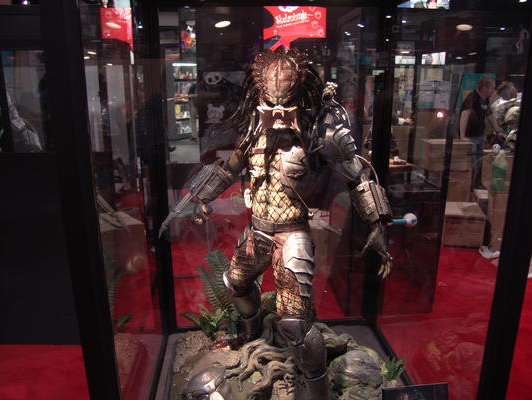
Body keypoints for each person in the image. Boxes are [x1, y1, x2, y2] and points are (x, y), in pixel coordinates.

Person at [160, 48, 393, 399]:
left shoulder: (319, 135)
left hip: (292, 237)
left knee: (295, 322)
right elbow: (229, 168)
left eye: (285, 102)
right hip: (257, 231)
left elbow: (357, 174)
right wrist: (202, 196)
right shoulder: (253, 133)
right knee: (234, 283)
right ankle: (253, 336)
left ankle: (317, 393)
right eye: (270, 102)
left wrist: (377, 224)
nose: (278, 111)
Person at [459, 76, 503, 187]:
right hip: (470, 136)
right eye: (492, 88)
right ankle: (467, 186)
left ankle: (474, 185)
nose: (493, 91)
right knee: (471, 163)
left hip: (479, 135)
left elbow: (489, 115)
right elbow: (464, 115)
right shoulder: (472, 98)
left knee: (478, 162)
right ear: (484, 88)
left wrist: (498, 131)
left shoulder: (485, 99)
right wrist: (463, 136)